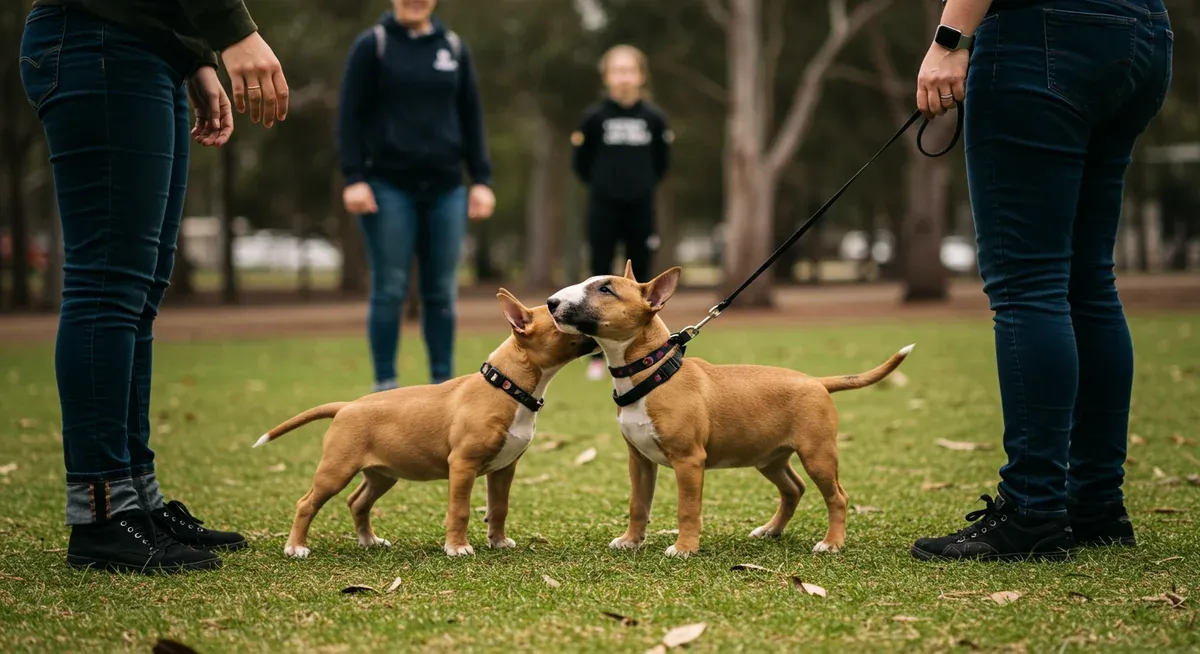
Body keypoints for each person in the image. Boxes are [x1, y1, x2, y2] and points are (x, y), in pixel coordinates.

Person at [19, 0, 289, 573]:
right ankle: (100, 513)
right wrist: (233, 32)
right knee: (107, 287)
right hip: (96, 39)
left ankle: (136, 496)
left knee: (138, 294)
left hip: (143, 48)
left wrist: (191, 58)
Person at [910, 0, 1172, 561]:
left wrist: (951, 38)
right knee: (1088, 280)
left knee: (1029, 285)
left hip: (1044, 32)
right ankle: (1096, 505)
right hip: (1143, 31)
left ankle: (1033, 510)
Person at [337, 0, 495, 392]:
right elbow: (349, 116)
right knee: (389, 288)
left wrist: (481, 179)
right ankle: (384, 386)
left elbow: (471, 116)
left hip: (447, 188)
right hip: (387, 187)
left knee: (441, 291)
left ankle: (443, 385)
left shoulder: (453, 47)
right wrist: (354, 177)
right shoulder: (372, 45)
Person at [571, 44, 672, 381]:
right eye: (617, 70)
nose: (624, 77)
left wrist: (638, 187)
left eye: (630, 70)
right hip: (603, 205)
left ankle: (644, 350)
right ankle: (596, 356)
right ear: (607, 76)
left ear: (641, 76)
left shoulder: (654, 118)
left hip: (641, 206)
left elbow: (662, 163)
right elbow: (581, 164)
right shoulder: (594, 117)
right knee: (598, 279)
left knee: (640, 279)